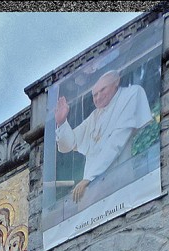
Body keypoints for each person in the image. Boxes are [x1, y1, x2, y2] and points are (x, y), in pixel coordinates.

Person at [55, 70, 153, 203]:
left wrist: (89, 178)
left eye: (103, 90)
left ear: (116, 82)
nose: (98, 97)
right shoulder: (95, 116)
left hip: (119, 182)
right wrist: (62, 123)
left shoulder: (130, 94)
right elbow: (70, 144)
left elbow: (116, 142)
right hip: (91, 190)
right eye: (95, 94)